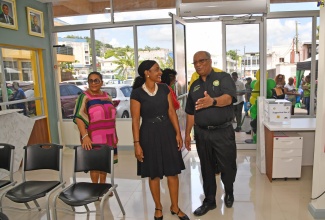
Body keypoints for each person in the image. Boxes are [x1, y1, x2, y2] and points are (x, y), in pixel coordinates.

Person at [130, 60, 189, 220]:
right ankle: (158, 207)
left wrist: (178, 133)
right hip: (148, 133)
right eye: (156, 70)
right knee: (153, 174)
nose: (160, 72)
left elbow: (171, 111)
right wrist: (137, 144)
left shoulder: (164, 88)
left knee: (173, 172)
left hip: (167, 132)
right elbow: (135, 120)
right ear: (146, 73)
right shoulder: (137, 93)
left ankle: (175, 207)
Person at [185, 51, 237, 216]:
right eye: (195, 62)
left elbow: (228, 98)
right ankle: (209, 201)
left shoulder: (223, 78)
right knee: (206, 167)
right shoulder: (194, 86)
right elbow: (190, 112)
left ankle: (229, 190)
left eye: (202, 61)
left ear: (210, 61)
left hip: (223, 131)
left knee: (227, 166)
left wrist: (212, 101)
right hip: (202, 134)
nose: (199, 65)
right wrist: (187, 134)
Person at [73, 71, 118, 184]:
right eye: (90, 81)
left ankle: (102, 187)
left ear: (101, 82)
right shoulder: (84, 97)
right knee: (95, 164)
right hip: (93, 137)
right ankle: (95, 188)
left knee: (105, 163)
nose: (93, 83)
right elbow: (79, 117)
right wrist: (85, 136)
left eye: (96, 80)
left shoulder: (107, 96)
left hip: (109, 136)